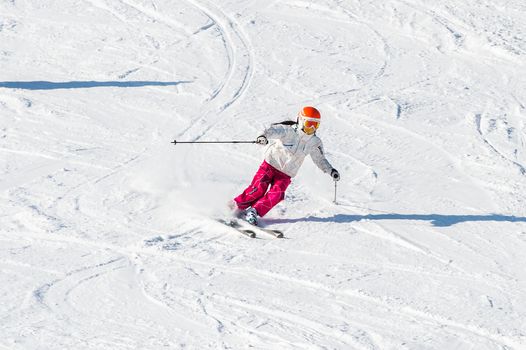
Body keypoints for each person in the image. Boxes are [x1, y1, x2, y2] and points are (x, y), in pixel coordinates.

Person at [231, 106, 340, 225]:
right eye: (309, 123)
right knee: (258, 188)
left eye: (316, 125)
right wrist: (262, 136)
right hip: (270, 165)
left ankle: (254, 212)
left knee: (277, 194)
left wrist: (330, 170)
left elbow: (320, 159)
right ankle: (236, 206)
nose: (312, 128)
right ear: (301, 120)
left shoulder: (314, 142)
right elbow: (271, 130)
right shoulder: (288, 131)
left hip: (286, 174)